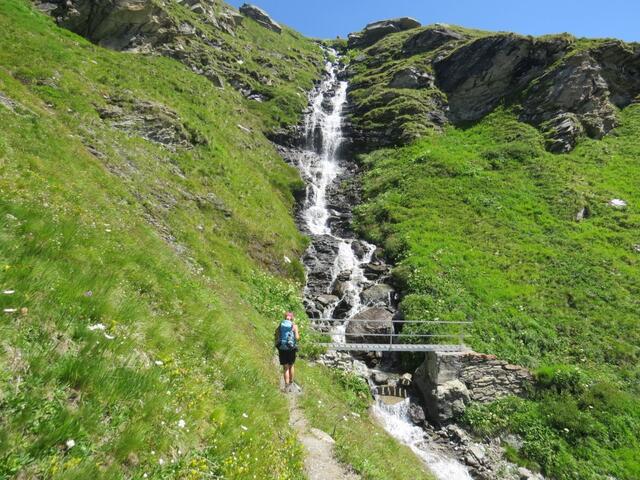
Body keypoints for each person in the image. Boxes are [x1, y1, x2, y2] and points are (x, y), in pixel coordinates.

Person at [275, 311, 300, 392]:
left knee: (285, 367)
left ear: (285, 317)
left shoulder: (281, 325)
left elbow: (276, 334)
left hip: (282, 347)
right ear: (292, 318)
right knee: (291, 365)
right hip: (291, 348)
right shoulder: (294, 326)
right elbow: (297, 338)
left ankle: (286, 386)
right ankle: (291, 384)